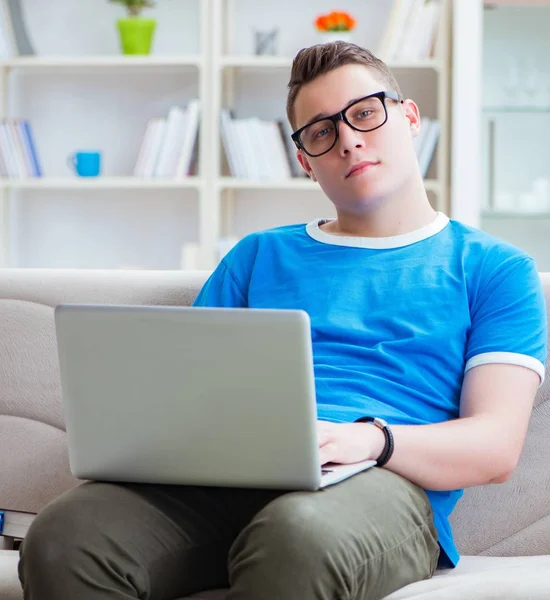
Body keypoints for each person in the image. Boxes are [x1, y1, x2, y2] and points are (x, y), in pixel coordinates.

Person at [18, 42, 547, 600]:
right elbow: (186, 396)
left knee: (295, 537)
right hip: (222, 483)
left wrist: (368, 441)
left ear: (409, 117)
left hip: (380, 486)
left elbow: (494, 447)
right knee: (64, 535)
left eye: (365, 112)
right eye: (321, 131)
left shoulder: (494, 269)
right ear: (305, 160)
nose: (348, 139)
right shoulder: (258, 257)